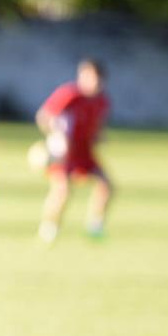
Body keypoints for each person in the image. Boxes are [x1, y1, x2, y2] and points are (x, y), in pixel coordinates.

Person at [35, 59, 113, 242]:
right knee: (62, 190)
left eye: (97, 78)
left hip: (85, 152)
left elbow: (96, 126)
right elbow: (44, 116)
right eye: (89, 76)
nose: (94, 82)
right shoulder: (69, 94)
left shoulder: (102, 101)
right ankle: (49, 228)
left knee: (107, 185)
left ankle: (95, 227)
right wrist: (56, 136)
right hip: (65, 153)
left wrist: (98, 136)